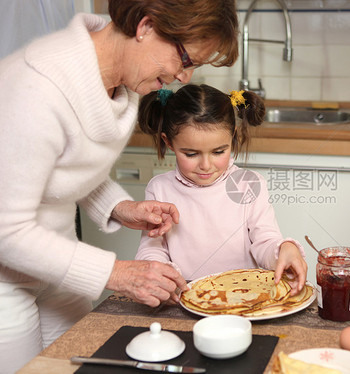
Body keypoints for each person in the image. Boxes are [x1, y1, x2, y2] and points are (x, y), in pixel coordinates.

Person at [0, 1, 238, 372]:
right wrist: (115, 274)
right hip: (5, 278)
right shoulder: (38, 86)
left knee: (81, 363)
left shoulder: (118, 84)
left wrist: (121, 208)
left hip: (56, 264)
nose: (185, 77)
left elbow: (60, 166)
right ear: (146, 26)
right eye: (186, 60)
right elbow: (6, 230)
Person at [135, 84, 308, 294]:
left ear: (232, 137)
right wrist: (162, 274)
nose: (206, 165)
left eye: (218, 151)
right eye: (191, 154)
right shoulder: (159, 189)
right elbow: (152, 249)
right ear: (168, 142)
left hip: (244, 299)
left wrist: (283, 249)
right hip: (185, 298)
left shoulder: (248, 184)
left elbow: (265, 240)